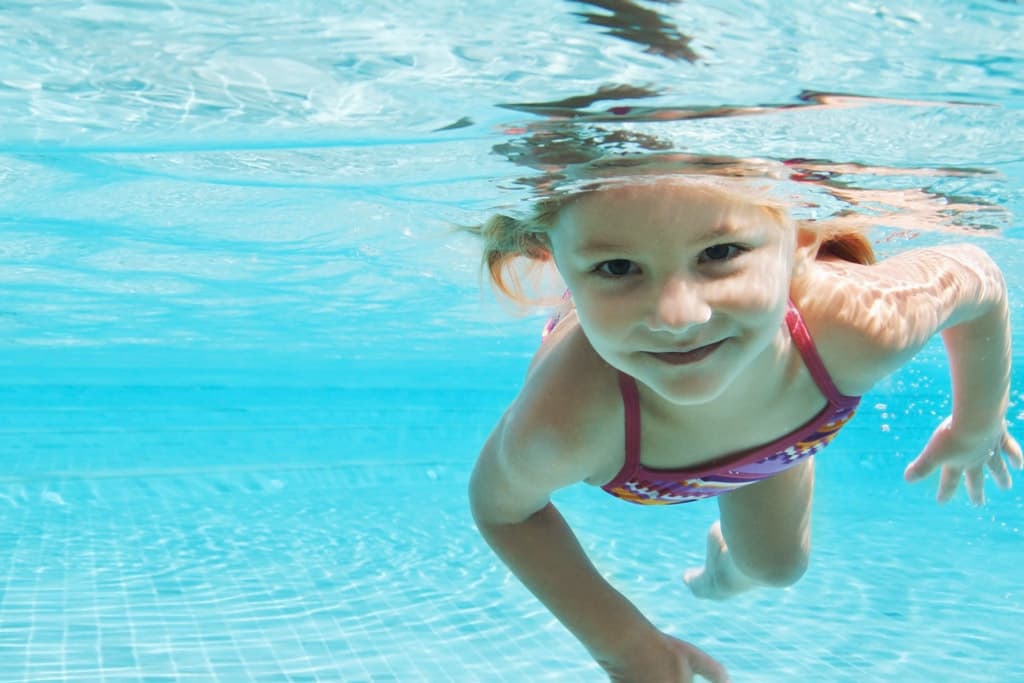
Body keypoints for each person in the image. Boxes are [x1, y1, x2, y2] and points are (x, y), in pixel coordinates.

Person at [465, 173, 1021, 683]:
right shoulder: (565, 422)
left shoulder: (856, 325)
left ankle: (722, 576)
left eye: (720, 253)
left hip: (784, 433)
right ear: (556, 262)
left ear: (803, 236)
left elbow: (979, 277)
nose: (678, 316)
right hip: (764, 427)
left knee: (777, 569)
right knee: (779, 565)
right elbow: (502, 508)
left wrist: (978, 421)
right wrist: (625, 646)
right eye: (616, 267)